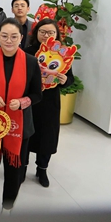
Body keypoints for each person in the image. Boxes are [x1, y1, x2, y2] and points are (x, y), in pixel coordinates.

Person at [0, 18, 42, 214]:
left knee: (14, 169)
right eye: (4, 36)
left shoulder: (31, 62)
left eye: (14, 36)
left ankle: (7, 207)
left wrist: (22, 102)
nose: (9, 40)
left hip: (19, 126)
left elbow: (37, 94)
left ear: (21, 38)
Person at [23, 18, 74, 188]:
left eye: (50, 32)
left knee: (47, 137)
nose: (46, 35)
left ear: (57, 34)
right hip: (29, 101)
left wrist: (65, 80)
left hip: (50, 102)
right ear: (36, 33)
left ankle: (42, 169)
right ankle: (22, 168)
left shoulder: (62, 55)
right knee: (26, 135)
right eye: (42, 32)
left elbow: (70, 79)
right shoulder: (27, 52)